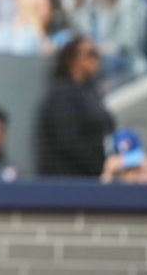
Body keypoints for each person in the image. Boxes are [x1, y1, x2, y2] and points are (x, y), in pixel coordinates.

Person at [37, 38, 115, 176]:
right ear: (71, 59)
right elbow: (68, 141)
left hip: (92, 176)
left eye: (97, 54)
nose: (96, 59)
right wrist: (101, 165)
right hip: (68, 181)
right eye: (90, 54)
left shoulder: (91, 92)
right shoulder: (62, 93)